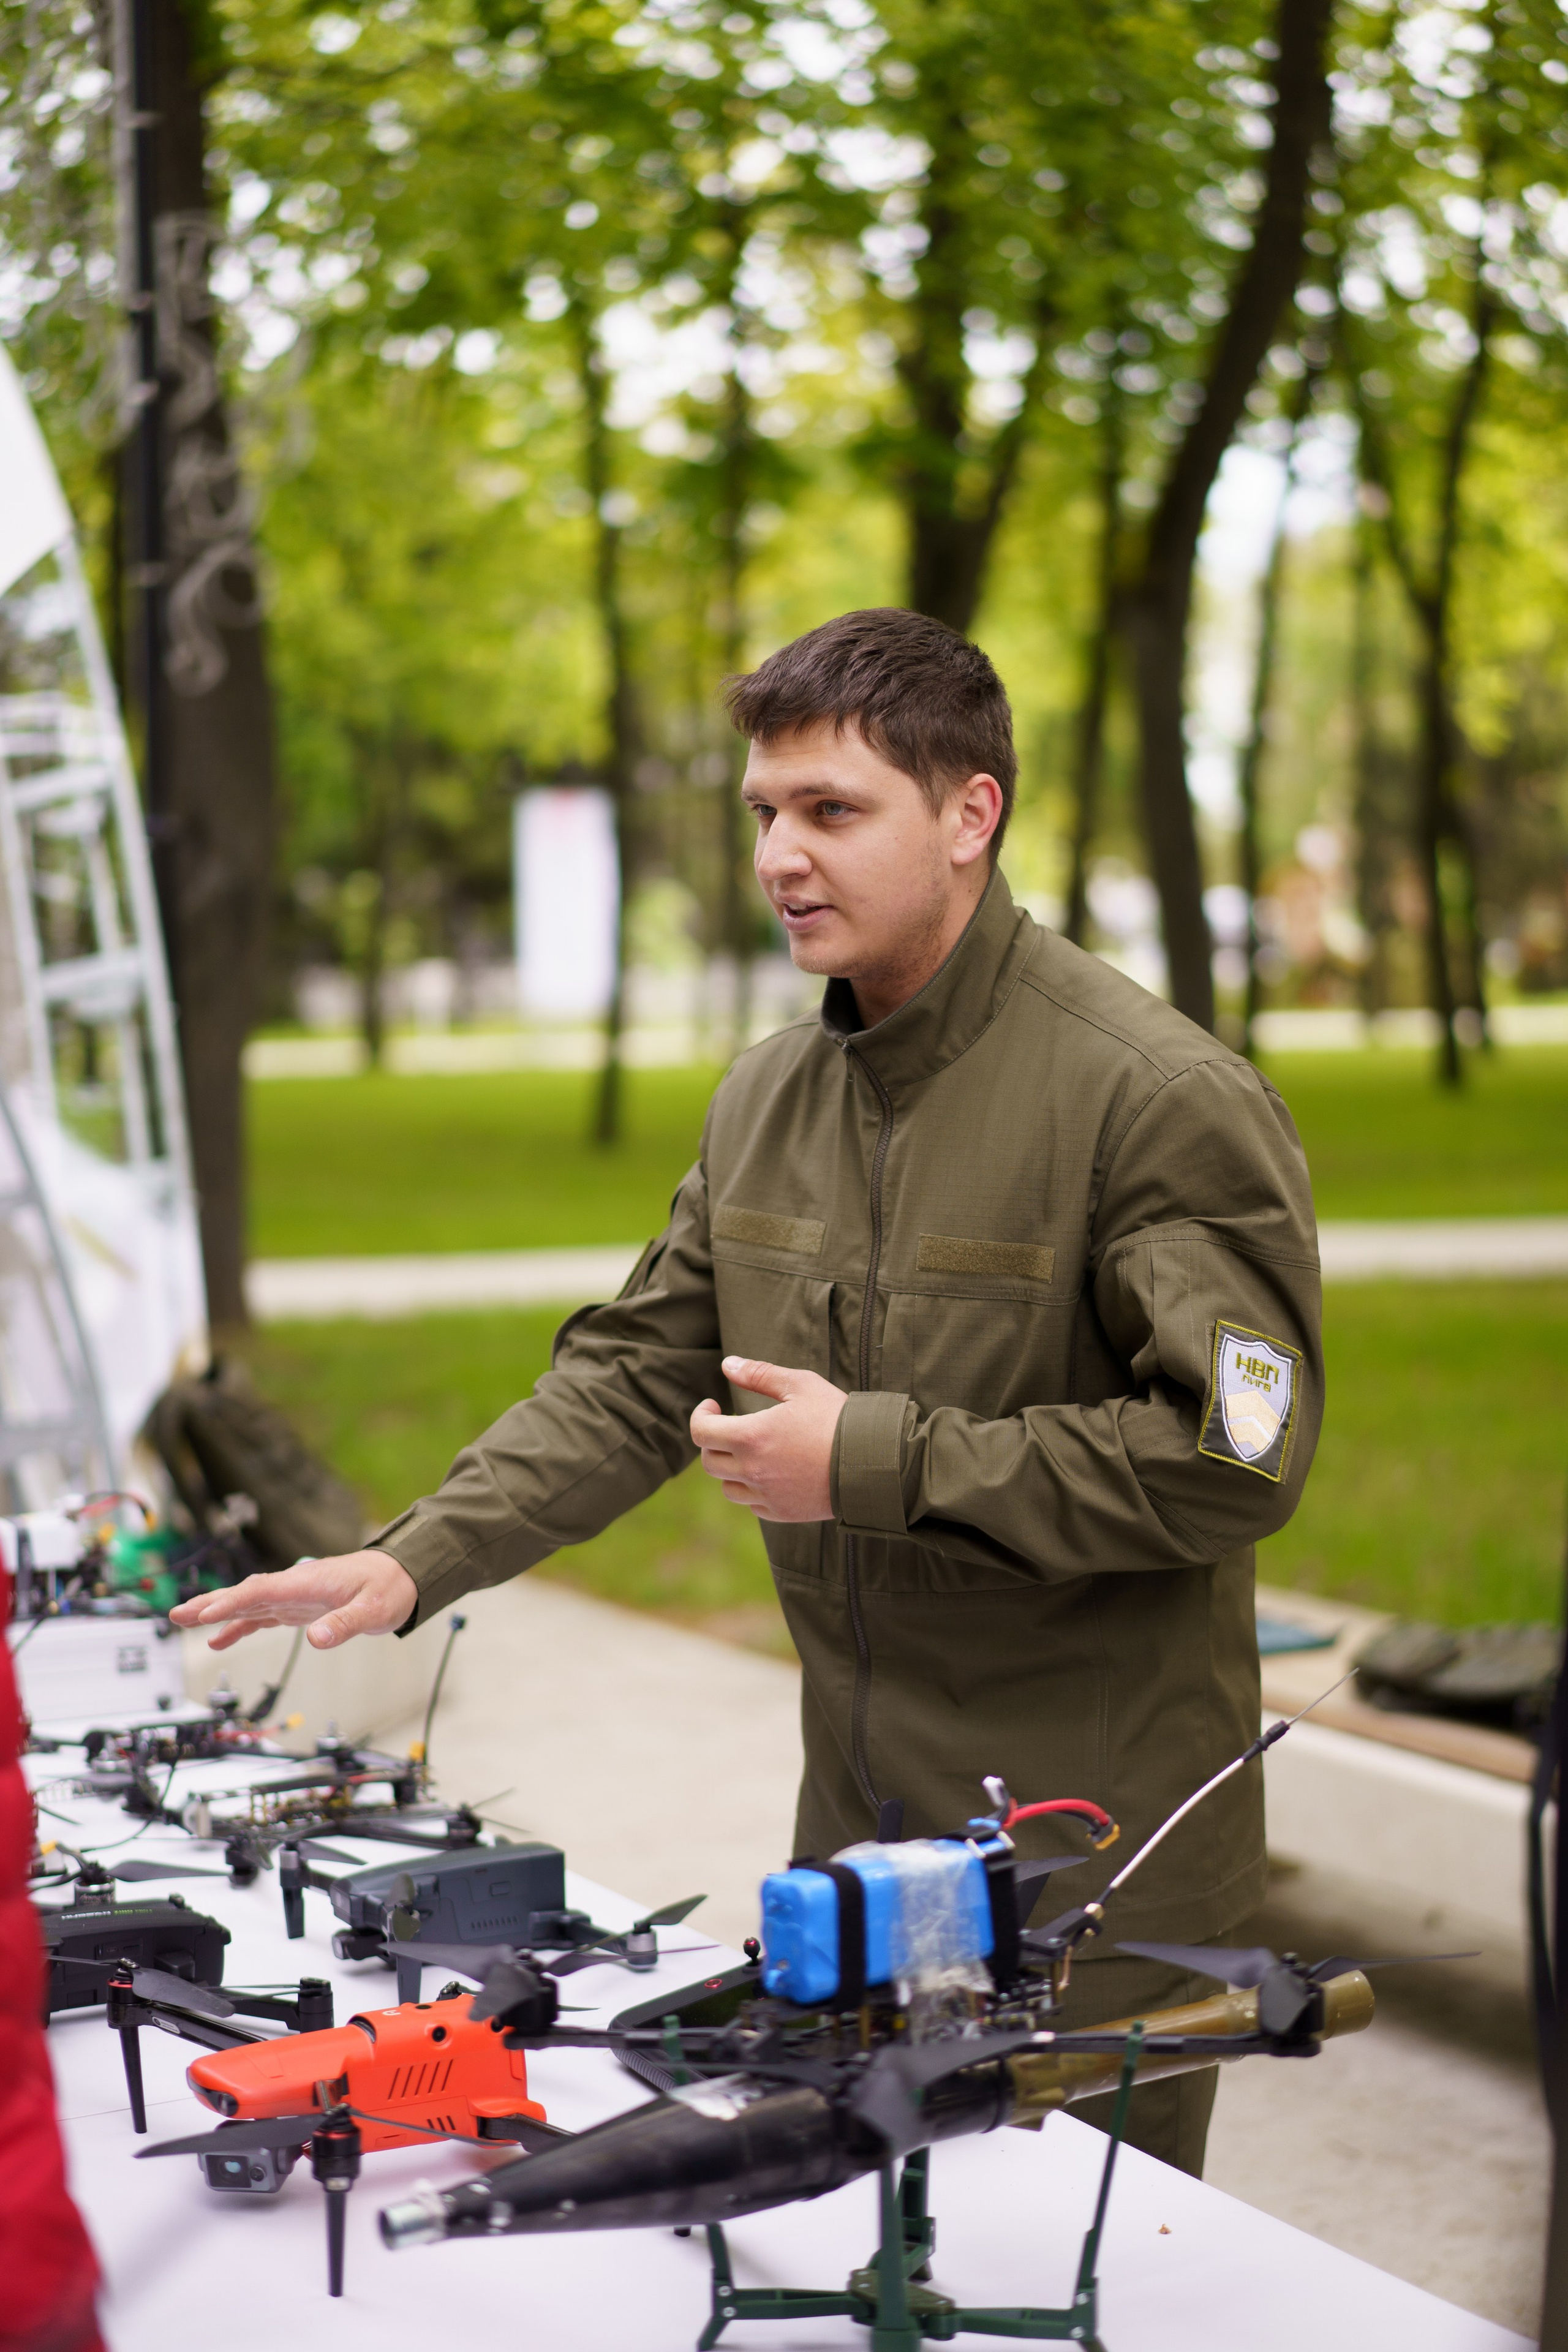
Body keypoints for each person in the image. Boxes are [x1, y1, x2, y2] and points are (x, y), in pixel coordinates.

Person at [175, 607, 1322, 2176]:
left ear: (969, 814)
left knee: (1055, 2290)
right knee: (865, 2259)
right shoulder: (768, 1092)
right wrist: (412, 1558)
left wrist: (876, 1457)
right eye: (764, 813)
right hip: (850, 1852)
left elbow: (1236, 1460)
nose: (781, 855)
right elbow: (639, 1374)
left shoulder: (1155, 1098)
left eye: (832, 811)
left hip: (1084, 1871)